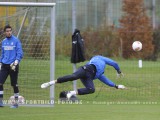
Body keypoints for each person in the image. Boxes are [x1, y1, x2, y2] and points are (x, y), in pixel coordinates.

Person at [41, 55, 125, 99]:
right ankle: (51, 82)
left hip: (89, 77)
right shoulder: (99, 58)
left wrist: (116, 86)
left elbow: (106, 81)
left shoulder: (100, 74)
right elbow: (114, 63)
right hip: (85, 69)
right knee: (73, 76)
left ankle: (70, 93)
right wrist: (118, 71)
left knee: (91, 89)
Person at [0, 25, 23, 108]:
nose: (9, 32)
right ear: (4, 32)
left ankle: (16, 103)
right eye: (7, 31)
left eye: (10, 31)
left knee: (14, 84)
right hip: (4, 66)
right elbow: (2, 54)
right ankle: (1, 102)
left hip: (13, 65)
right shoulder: (3, 42)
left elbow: (20, 53)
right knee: (0, 82)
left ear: (11, 31)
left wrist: (16, 62)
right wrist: (0, 63)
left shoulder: (16, 41)